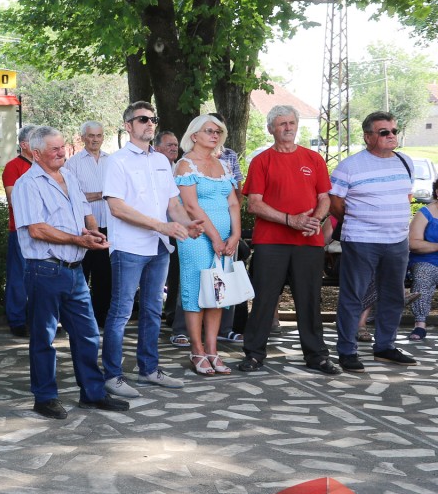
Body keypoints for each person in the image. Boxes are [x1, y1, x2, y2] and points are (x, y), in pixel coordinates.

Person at [12, 126, 129, 418]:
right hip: (44, 269)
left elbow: (85, 211)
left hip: (74, 271)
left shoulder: (69, 176)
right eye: (54, 149)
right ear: (36, 153)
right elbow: (37, 229)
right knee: (44, 338)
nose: (61, 152)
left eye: (62, 146)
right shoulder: (28, 184)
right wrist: (78, 240)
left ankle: (92, 393)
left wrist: (92, 232)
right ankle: (44, 398)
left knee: (87, 335)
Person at [101, 102, 202, 398]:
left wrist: (188, 224)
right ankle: (112, 375)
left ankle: (148, 369)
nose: (149, 123)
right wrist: (161, 226)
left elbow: (173, 204)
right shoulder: (116, 161)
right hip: (129, 247)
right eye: (142, 119)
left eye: (152, 119)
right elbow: (117, 208)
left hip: (158, 246)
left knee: (153, 310)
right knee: (121, 312)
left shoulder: (160, 161)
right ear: (128, 126)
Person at [240, 105, 334, 373]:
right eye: (282, 124)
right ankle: (254, 354)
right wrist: (290, 220)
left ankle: (317, 356)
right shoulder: (262, 161)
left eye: (292, 123)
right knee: (264, 299)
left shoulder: (313, 159)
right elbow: (254, 204)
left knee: (309, 299)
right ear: (271, 128)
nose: (288, 128)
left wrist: (316, 219)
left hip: (309, 241)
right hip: (271, 242)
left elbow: (324, 198)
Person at [330, 111, 418, 369]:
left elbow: (407, 196)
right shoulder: (350, 166)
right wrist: (363, 221)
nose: (391, 136)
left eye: (394, 131)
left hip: (397, 241)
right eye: (384, 132)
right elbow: (335, 203)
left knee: (393, 296)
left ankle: (385, 347)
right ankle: (347, 351)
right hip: (361, 241)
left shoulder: (405, 162)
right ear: (368, 137)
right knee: (353, 296)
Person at [173, 115, 241, 375]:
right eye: (209, 131)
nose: (214, 135)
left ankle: (212, 350)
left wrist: (235, 235)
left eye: (218, 132)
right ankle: (197, 350)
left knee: (218, 294)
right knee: (195, 291)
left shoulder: (223, 165)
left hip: (225, 241)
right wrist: (215, 238)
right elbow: (191, 206)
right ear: (194, 135)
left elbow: (233, 203)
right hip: (197, 238)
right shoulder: (185, 165)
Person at [66, 120, 113, 329]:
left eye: (99, 135)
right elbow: (71, 196)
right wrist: (101, 195)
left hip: (109, 225)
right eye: (91, 136)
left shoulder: (112, 161)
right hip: (84, 228)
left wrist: (102, 195)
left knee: (105, 274)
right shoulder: (73, 164)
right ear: (83, 137)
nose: (95, 140)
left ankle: (101, 318)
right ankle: (79, 319)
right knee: (82, 273)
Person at [2, 124, 39, 337]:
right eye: (35, 139)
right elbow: (13, 199)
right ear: (24, 144)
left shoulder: (45, 165)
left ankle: (40, 319)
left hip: (46, 230)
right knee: (18, 275)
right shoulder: (13, 167)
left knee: (41, 276)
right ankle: (17, 320)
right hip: (21, 229)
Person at [407, 180, 438, 340]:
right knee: (423, 275)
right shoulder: (425, 213)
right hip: (427, 260)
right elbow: (413, 243)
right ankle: (420, 324)